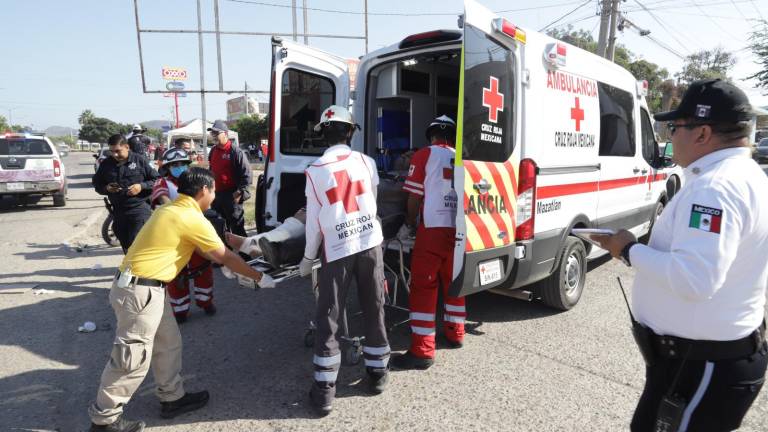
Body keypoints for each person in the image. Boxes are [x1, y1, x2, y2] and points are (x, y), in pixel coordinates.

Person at [593, 79, 768, 432]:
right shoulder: (744, 175)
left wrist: (627, 248)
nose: (670, 135)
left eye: (675, 127)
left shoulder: (715, 188)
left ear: (702, 133)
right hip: (701, 360)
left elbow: (694, 279)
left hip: (702, 364)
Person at [88, 167, 264, 432]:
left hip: (146, 290)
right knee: (132, 358)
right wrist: (260, 278)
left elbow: (209, 246)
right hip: (141, 292)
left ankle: (172, 398)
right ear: (204, 190)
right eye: (213, 191)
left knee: (168, 343)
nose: (215, 196)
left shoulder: (170, 209)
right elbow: (223, 256)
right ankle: (104, 420)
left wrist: (248, 245)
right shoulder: (189, 217)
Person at [298, 105, 390, 416]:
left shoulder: (315, 170)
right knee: (374, 306)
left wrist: (308, 258)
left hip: (336, 249)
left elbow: (314, 224)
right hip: (370, 243)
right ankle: (377, 374)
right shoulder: (367, 162)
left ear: (324, 134)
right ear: (350, 132)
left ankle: (324, 391)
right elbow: (372, 202)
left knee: (329, 316)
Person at [391, 115, 463, 371]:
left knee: (424, 286)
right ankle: (456, 333)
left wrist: (410, 222)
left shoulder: (423, 155)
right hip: (459, 229)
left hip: (432, 228)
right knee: (454, 281)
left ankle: (422, 351)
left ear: (431, 136)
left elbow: (413, 197)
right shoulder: (462, 157)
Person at [151, 148, 217, 323]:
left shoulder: (194, 181)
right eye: (174, 165)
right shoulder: (162, 183)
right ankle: (180, 310)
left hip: (196, 232)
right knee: (176, 275)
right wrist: (176, 211)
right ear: (167, 167)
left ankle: (206, 302)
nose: (179, 167)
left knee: (204, 269)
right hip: (174, 237)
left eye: (182, 164)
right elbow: (162, 198)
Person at [93, 134, 159, 253]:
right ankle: (130, 269)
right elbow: (97, 185)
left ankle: (138, 269)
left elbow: (157, 180)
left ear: (127, 147)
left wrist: (141, 186)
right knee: (126, 246)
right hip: (118, 212)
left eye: (118, 151)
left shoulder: (140, 160)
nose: (115, 155)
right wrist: (107, 188)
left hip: (139, 210)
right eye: (112, 151)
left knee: (137, 245)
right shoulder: (106, 164)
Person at [207, 120, 252, 240]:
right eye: (213, 134)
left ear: (225, 134)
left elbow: (246, 175)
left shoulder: (236, 152)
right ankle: (225, 254)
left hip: (231, 195)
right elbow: (212, 168)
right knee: (219, 226)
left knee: (237, 227)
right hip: (216, 195)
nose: (214, 136)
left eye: (217, 133)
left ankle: (245, 256)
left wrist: (240, 192)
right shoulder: (213, 150)